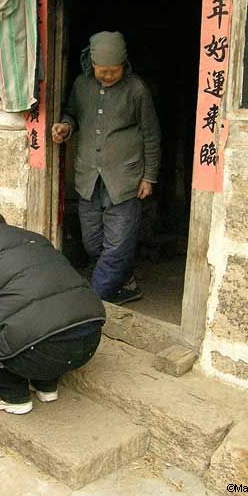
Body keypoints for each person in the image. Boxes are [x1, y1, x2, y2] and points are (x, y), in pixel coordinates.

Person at [0, 207, 106, 415]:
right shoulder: (37, 240)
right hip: (89, 341)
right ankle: (45, 385)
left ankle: (10, 394)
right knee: (45, 312)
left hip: (41, 352)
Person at [51, 31, 161, 305]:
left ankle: (91, 301)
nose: (108, 76)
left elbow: (151, 134)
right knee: (92, 241)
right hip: (89, 176)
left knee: (117, 244)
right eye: (103, 71)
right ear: (91, 64)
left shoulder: (137, 90)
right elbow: (72, 114)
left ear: (125, 65)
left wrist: (149, 176)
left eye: (114, 71)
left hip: (125, 178)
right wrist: (65, 126)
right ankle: (126, 283)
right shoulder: (81, 84)